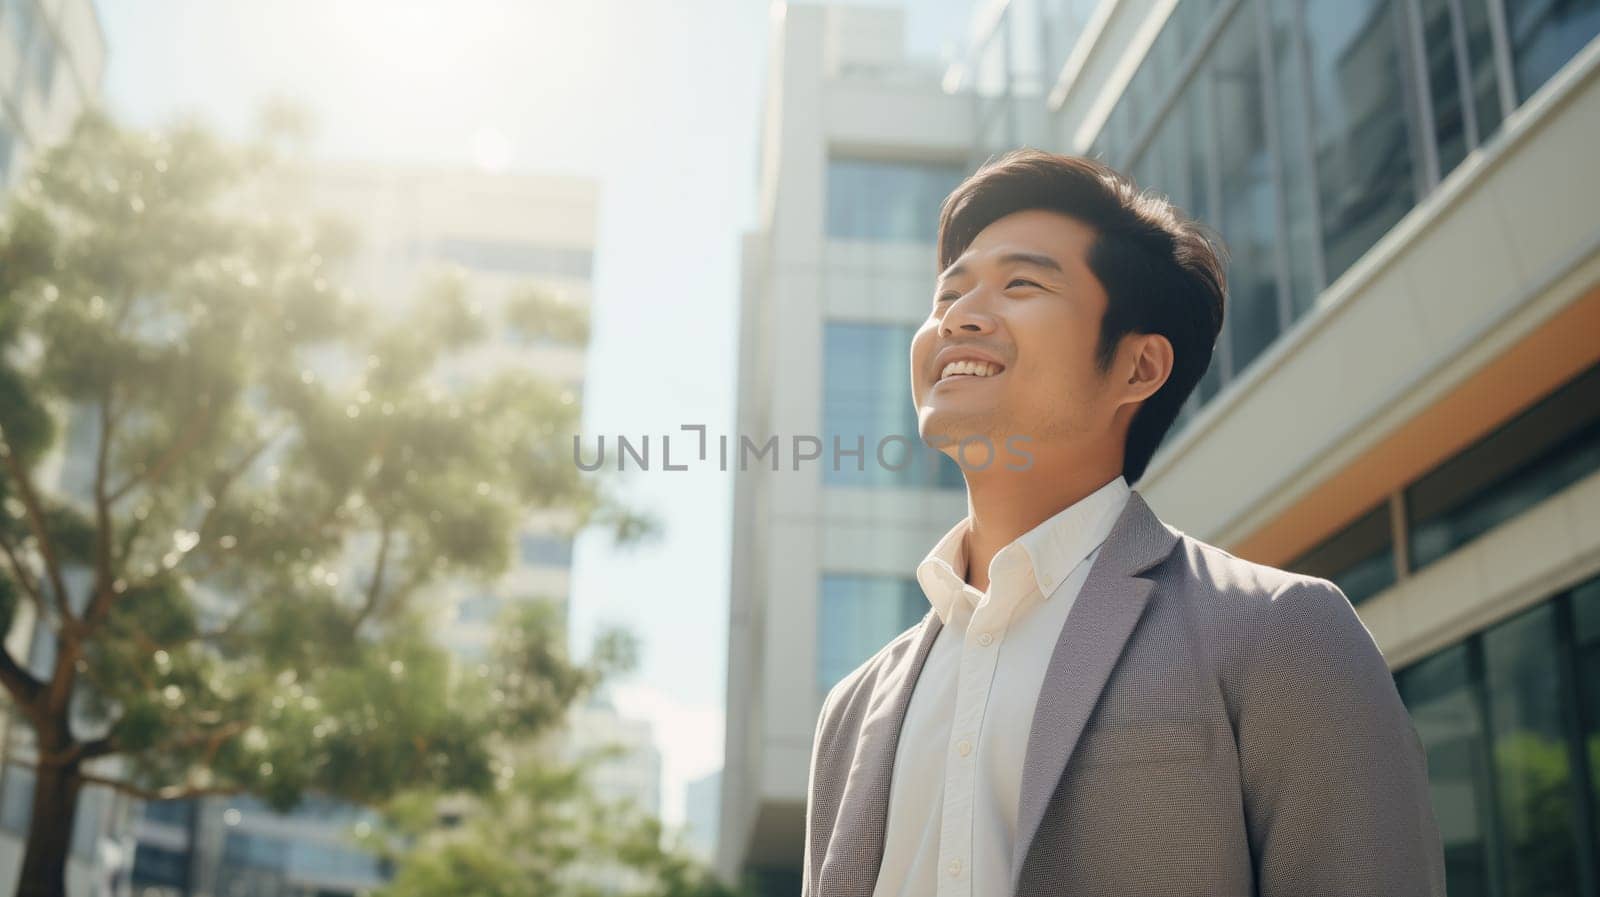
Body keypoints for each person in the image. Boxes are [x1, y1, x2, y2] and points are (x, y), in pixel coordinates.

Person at [801, 150, 1446, 897]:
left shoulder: (1282, 633)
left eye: (1021, 283)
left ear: (1138, 369)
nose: (958, 317)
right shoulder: (850, 713)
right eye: (949, 293)